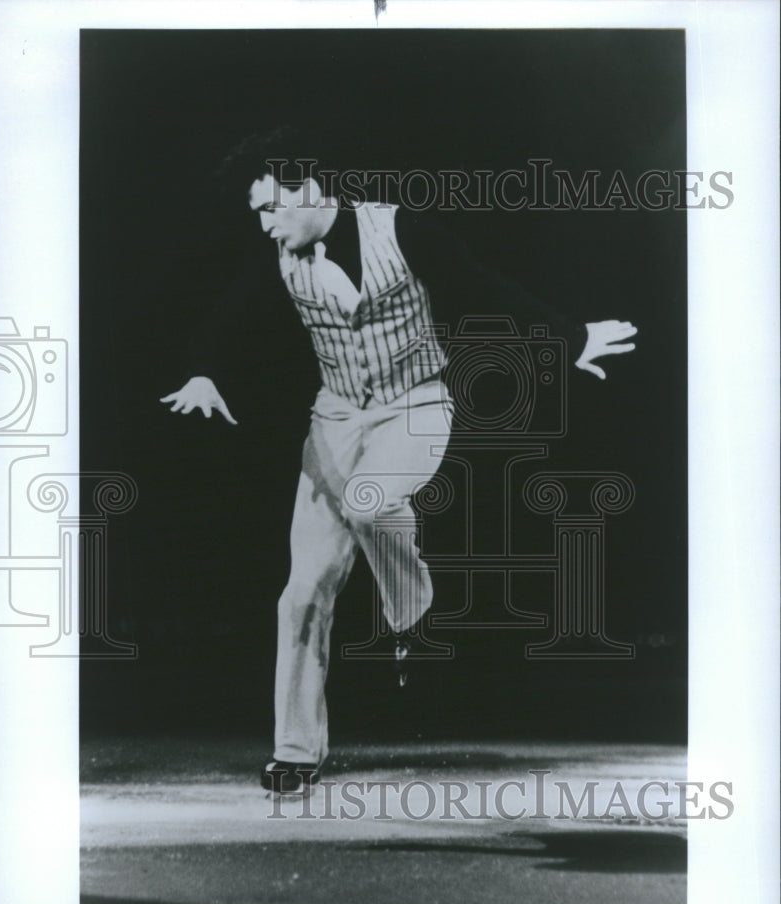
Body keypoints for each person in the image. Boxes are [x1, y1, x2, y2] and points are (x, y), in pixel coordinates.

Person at [160, 128, 638, 794]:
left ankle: (410, 608)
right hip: (334, 419)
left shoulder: (400, 228)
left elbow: (482, 283)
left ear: (308, 190)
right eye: (257, 214)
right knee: (302, 590)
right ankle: (295, 750)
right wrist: (203, 372)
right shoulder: (275, 254)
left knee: (370, 498)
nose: (264, 224)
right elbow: (225, 315)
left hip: (413, 407)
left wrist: (572, 335)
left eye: (271, 207)